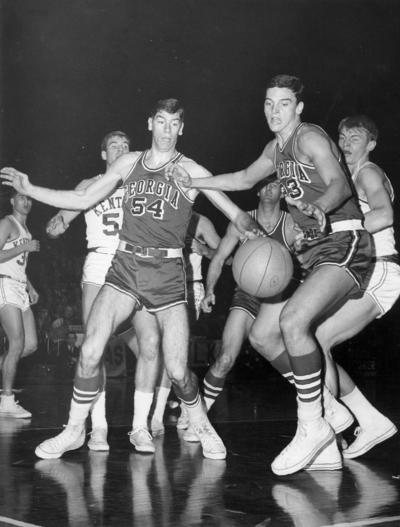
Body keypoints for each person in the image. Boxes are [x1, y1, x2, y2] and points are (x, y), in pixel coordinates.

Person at [1, 98, 258, 461]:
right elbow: (83, 197)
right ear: (150, 123)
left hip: (168, 276)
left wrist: (256, 232)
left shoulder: (190, 168)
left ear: (181, 129)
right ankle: (75, 429)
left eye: (174, 124)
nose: (167, 131)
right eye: (162, 122)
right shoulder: (128, 162)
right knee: (90, 350)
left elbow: (233, 212)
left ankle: (199, 421)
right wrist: (31, 189)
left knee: (178, 369)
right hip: (124, 268)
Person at [167, 76, 373, 475]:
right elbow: (244, 178)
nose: (274, 111)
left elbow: (339, 183)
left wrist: (320, 209)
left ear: (298, 108)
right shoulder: (275, 149)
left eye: (283, 104)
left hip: (344, 242)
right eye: (268, 104)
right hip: (315, 253)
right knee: (262, 335)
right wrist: (193, 181)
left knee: (293, 321)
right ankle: (328, 432)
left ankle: (312, 425)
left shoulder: (309, 137)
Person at [315, 115, 399, 458]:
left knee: (316, 340)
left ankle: (326, 431)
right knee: (316, 344)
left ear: (371, 144)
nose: (347, 142)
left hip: (381, 268)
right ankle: (369, 420)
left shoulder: (368, 172)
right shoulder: (344, 180)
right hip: (364, 269)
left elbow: (384, 213)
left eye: (356, 137)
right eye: (343, 136)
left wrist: (349, 227)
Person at [0, 190, 39, 417]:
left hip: (19, 285)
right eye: (22, 197)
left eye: (29, 198)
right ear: (13, 201)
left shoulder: (26, 230)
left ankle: (5, 371)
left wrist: (30, 286)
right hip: (4, 284)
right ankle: (6, 402)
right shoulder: (7, 222)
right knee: (16, 343)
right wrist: (24, 247)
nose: (27, 201)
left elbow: (18, 264)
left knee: (30, 344)